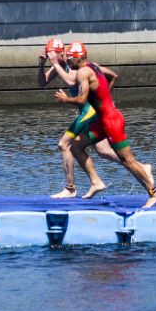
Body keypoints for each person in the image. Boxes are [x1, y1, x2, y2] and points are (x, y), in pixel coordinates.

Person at [55, 42, 156, 208]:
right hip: (102, 121)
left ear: (77, 58)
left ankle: (153, 193)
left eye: (69, 59)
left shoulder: (83, 72)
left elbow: (82, 99)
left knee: (128, 161)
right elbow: (113, 77)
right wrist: (103, 98)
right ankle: (96, 182)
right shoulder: (95, 66)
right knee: (75, 146)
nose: (68, 62)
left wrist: (66, 99)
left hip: (111, 121)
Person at [38, 38, 118, 198]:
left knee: (64, 144)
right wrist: (41, 64)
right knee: (104, 151)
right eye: (49, 55)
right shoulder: (61, 66)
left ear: (62, 53)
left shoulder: (76, 68)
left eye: (53, 54)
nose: (51, 58)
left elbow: (70, 79)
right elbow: (42, 83)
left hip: (90, 111)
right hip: (90, 112)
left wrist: (104, 97)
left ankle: (70, 188)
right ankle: (138, 166)